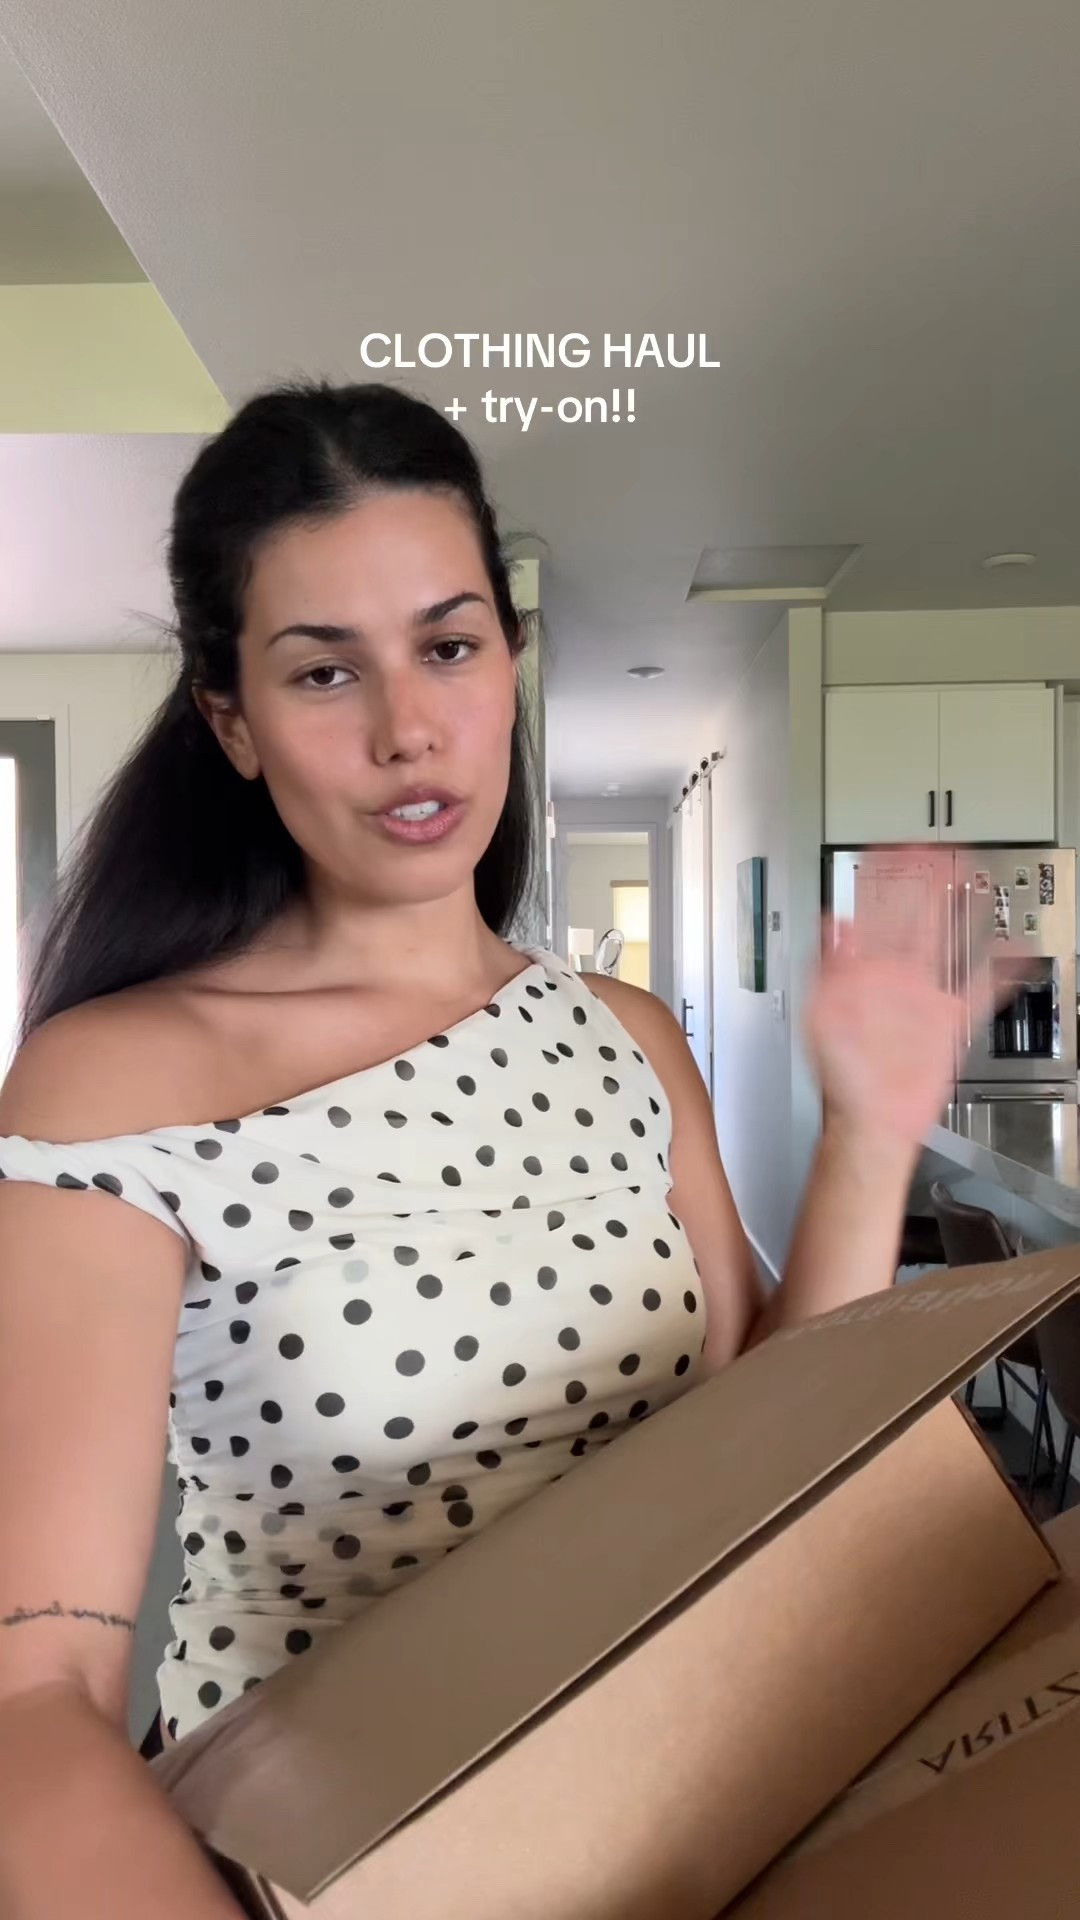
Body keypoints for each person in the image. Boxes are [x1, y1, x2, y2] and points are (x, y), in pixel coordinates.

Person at [0, 381, 963, 1917]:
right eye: (326, 672)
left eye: (448, 647)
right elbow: (33, 1694)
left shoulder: (626, 1038)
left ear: (508, 663)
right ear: (233, 721)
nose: (408, 730)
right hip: (335, 1866)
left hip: (693, 1806)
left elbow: (767, 1452)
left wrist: (869, 1127)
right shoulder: (116, 1083)